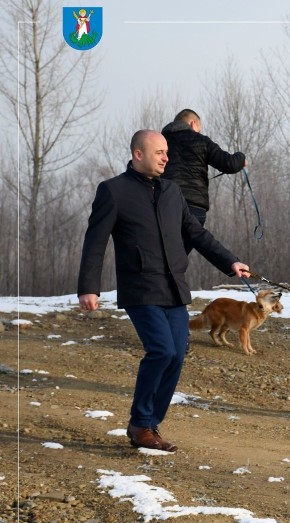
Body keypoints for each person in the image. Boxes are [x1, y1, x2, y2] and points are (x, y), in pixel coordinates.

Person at [77, 130, 251, 452]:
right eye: (159, 152)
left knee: (178, 353)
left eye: (167, 152)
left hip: (174, 287)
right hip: (141, 287)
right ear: (138, 154)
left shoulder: (172, 191)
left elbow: (196, 233)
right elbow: (96, 241)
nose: (165, 157)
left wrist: (230, 262)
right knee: (162, 351)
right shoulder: (114, 191)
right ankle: (140, 423)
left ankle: (149, 425)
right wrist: (89, 287)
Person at [161, 108, 246, 252]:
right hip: (194, 209)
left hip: (163, 205)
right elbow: (229, 164)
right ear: (193, 124)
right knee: (177, 258)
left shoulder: (159, 142)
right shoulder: (200, 140)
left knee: (163, 256)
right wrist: (241, 157)